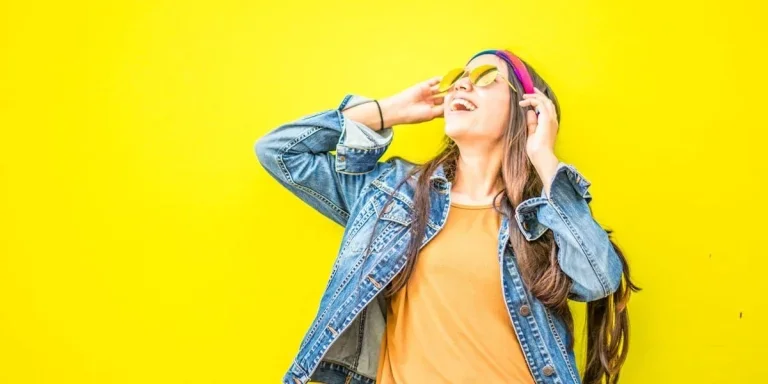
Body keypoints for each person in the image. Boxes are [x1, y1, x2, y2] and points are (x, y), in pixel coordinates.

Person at [255, 49, 639, 384]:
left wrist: (544, 156)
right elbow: (279, 152)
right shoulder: (393, 194)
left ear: (529, 109)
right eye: (458, 78)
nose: (461, 85)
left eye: (485, 77)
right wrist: (389, 111)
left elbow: (599, 279)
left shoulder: (541, 217)